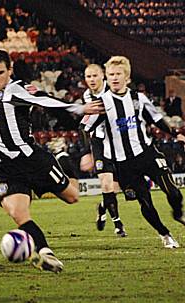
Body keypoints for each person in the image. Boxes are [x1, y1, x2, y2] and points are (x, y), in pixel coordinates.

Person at [0, 49, 104, 272]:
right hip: (4, 168)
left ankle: (63, 157)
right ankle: (45, 253)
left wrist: (79, 107)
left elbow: (44, 100)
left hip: (32, 161)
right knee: (17, 213)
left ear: (10, 70)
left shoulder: (17, 89)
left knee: (72, 197)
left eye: (0, 72)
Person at [84, 56, 185, 249]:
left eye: (118, 74)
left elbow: (156, 119)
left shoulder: (138, 98)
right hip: (124, 164)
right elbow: (87, 128)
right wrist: (89, 152)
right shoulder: (101, 102)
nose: (114, 78)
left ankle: (178, 213)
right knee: (145, 203)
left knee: (173, 192)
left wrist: (177, 135)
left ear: (127, 77)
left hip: (147, 154)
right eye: (110, 74)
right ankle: (165, 234)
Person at [80, 64, 127, 237]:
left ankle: (102, 207)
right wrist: (87, 151)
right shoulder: (87, 96)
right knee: (106, 184)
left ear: (103, 76)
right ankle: (118, 224)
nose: (91, 80)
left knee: (116, 188)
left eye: (94, 76)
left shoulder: (114, 91)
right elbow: (87, 124)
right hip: (99, 143)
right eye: (88, 77)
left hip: (118, 143)